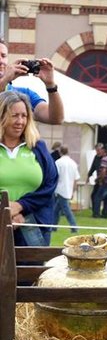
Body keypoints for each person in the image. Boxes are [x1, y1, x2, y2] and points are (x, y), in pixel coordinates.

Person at [0, 90, 58, 246]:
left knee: (33, 270)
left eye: (24, 116)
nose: (20, 121)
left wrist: (21, 207)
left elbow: (50, 184)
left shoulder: (38, 146)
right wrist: (6, 213)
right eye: (14, 115)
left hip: (34, 228)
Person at [0, 38, 64, 125]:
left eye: (3, 56)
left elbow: (56, 119)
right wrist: (5, 80)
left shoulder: (22, 94)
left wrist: (51, 85)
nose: (1, 61)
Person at [53, 145, 80, 234]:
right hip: (68, 189)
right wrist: (73, 191)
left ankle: (74, 226)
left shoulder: (58, 162)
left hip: (59, 188)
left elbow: (55, 176)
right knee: (56, 209)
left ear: (60, 152)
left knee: (66, 210)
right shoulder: (73, 163)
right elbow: (76, 178)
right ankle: (53, 226)